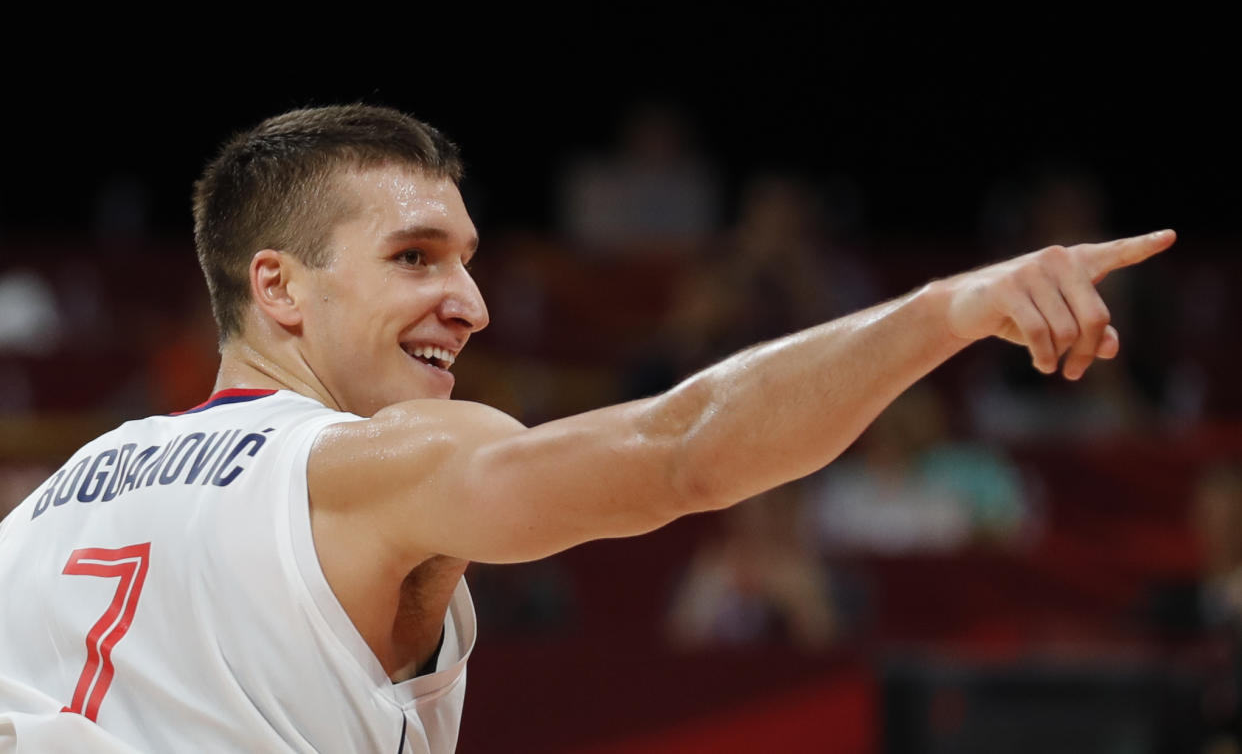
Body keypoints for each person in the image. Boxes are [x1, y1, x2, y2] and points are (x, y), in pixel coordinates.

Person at [0, 104, 1176, 753]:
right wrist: (946, 309)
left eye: (467, 260)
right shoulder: (377, 463)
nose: (470, 302)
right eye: (415, 258)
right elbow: (684, 451)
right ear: (282, 288)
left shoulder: (52, 500)